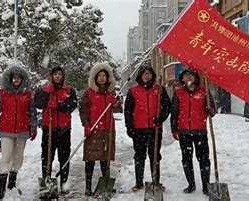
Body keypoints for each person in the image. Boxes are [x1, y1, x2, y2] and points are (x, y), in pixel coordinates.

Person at [0, 64, 38, 199]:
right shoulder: (3, 93)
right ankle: (1, 188)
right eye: (14, 78)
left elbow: (32, 112)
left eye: (19, 78)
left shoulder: (28, 93)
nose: (16, 80)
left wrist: (33, 128)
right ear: (10, 79)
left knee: (18, 158)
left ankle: (11, 184)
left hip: (22, 130)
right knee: (6, 157)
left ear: (23, 79)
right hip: (6, 130)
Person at [124, 63, 171, 192]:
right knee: (139, 155)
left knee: (154, 155)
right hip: (139, 129)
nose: (147, 76)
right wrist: (129, 127)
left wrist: (160, 118)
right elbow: (128, 110)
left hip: (155, 129)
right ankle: (139, 183)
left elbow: (167, 107)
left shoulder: (159, 89)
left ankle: (156, 181)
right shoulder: (133, 91)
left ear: (152, 75)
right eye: (144, 73)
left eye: (149, 73)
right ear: (140, 75)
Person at [170, 68, 215, 195]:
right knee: (186, 159)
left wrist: (210, 110)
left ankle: (206, 186)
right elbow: (174, 112)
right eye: (185, 75)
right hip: (184, 132)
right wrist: (174, 129)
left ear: (196, 77)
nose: (188, 77)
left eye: (191, 75)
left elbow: (212, 109)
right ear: (182, 79)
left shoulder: (204, 91)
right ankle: (191, 184)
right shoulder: (178, 93)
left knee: (204, 159)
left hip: (200, 131)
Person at [33, 65, 78, 194]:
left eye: (60, 74)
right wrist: (47, 94)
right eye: (55, 74)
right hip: (49, 128)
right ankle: (46, 180)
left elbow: (72, 105)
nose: (58, 76)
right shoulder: (44, 90)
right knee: (47, 156)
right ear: (51, 76)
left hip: (64, 129)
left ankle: (64, 183)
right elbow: (38, 104)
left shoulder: (69, 90)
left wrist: (58, 105)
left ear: (63, 76)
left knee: (64, 156)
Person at [79, 63, 122, 196]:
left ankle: (105, 182)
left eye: (104, 75)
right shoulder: (89, 93)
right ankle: (88, 186)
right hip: (93, 129)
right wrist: (86, 124)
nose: (102, 78)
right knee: (90, 159)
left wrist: (116, 103)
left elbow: (118, 109)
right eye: (100, 76)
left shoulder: (111, 93)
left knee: (105, 158)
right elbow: (84, 110)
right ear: (95, 77)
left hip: (108, 129)